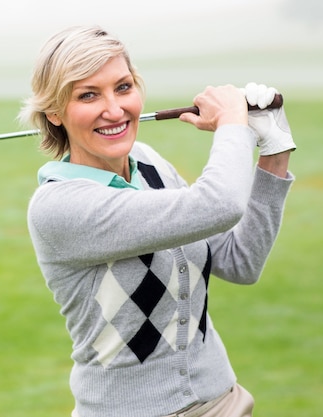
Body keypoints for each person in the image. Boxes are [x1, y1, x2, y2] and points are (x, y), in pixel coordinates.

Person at [20, 25, 296, 417]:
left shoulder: (149, 163)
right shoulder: (60, 207)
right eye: (88, 95)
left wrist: (274, 151)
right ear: (54, 112)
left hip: (225, 402)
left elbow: (240, 261)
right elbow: (219, 203)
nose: (114, 110)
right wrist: (233, 125)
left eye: (123, 87)